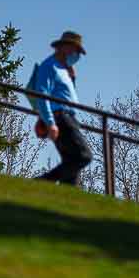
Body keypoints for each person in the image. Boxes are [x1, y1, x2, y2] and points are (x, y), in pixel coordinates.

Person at [31, 31, 93, 185]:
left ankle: (68, 201)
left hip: (68, 116)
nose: (77, 56)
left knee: (71, 167)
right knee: (83, 156)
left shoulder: (64, 70)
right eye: (76, 50)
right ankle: (42, 181)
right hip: (60, 117)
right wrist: (50, 122)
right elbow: (42, 95)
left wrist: (73, 78)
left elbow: (66, 95)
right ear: (65, 47)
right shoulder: (49, 66)